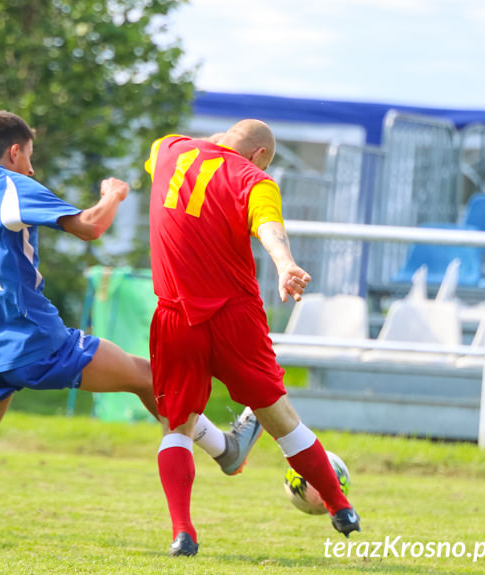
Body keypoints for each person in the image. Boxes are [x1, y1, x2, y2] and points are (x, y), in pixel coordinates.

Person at [0, 111, 261, 510]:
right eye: (29, 157)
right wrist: (113, 194)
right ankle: (225, 449)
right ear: (13, 151)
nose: (31, 168)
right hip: (34, 340)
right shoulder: (9, 186)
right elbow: (90, 226)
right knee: (151, 377)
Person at [145, 120, 361, 556]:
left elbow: (161, 169)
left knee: (177, 426)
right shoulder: (254, 179)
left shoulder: (167, 149)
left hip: (175, 313)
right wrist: (284, 264)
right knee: (281, 419)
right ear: (261, 155)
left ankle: (182, 531)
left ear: (224, 137)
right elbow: (268, 227)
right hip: (233, 317)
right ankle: (341, 507)